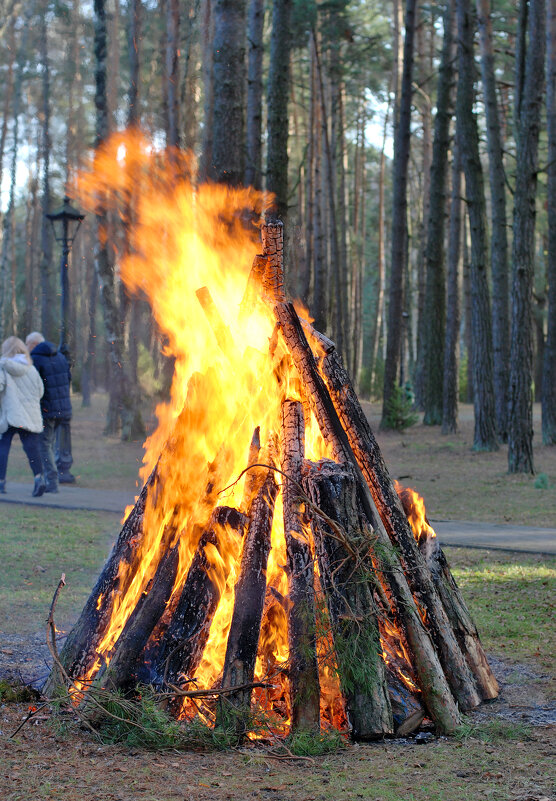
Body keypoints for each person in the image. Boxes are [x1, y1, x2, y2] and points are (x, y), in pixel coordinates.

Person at [25, 332, 74, 493]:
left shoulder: (35, 359)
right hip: (63, 409)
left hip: (46, 410)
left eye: (27, 344)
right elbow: (68, 379)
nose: (26, 347)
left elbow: (33, 386)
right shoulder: (59, 356)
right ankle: (51, 478)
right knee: (49, 444)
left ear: (33, 344)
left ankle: (52, 482)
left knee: (43, 445)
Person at [0, 336, 46, 497]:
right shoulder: (31, 369)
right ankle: (39, 478)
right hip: (29, 416)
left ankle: (1, 482)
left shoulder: (3, 366)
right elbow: (40, 391)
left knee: (3, 447)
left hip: (10, 414)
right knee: (32, 449)